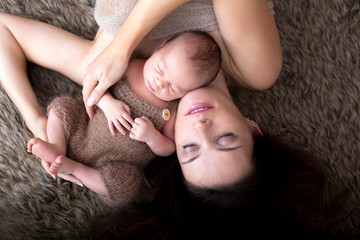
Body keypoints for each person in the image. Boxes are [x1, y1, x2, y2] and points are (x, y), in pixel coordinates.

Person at [26, 31, 222, 206]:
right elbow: (95, 85)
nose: (159, 82)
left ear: (186, 93)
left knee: (127, 186)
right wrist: (107, 103)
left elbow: (169, 147)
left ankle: (76, 169)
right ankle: (56, 147)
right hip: (83, 133)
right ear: (160, 47)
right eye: (161, 69)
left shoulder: (171, 110)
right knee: (62, 107)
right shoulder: (130, 65)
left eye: (172, 87)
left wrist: (152, 136)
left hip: (115, 163)